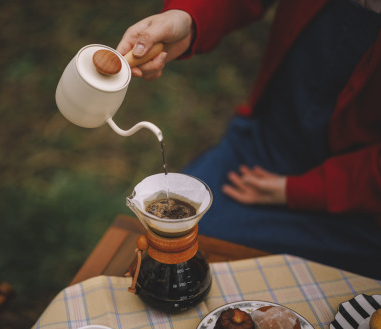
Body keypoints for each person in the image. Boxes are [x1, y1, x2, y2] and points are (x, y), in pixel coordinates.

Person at [117, 0, 381, 279]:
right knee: (165, 234)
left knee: (206, 254)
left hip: (360, 200)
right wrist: (187, 17)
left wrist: (296, 191)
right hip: (269, 137)